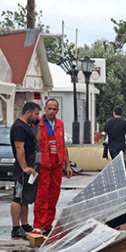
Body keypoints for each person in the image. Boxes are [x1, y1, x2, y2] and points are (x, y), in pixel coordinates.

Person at [33, 99, 72, 235]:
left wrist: (67, 165)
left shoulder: (60, 124)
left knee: (53, 195)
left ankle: (48, 224)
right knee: (42, 195)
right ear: (45, 108)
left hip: (56, 165)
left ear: (57, 110)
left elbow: (63, 146)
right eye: (49, 109)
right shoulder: (38, 124)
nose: (51, 111)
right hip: (43, 165)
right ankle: (39, 225)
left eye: (54, 109)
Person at [10, 102, 41, 239]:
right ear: (28, 113)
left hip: (31, 167)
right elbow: (19, 148)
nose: (37, 116)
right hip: (23, 168)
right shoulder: (18, 127)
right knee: (18, 196)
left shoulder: (28, 127)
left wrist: (38, 127)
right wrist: (24, 167)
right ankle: (16, 227)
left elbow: (36, 143)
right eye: (36, 114)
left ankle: (25, 224)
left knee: (25, 198)